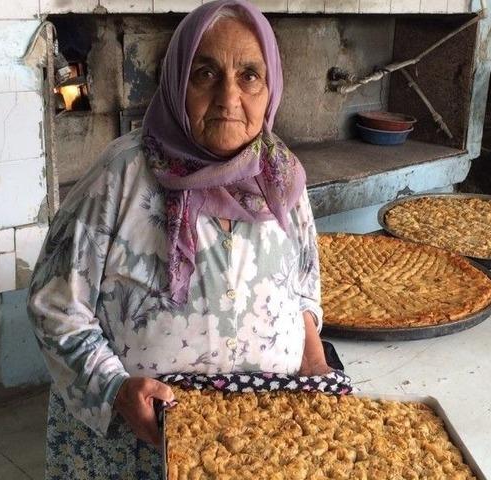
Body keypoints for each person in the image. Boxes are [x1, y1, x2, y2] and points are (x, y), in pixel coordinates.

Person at [27, 1, 333, 478]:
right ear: (174, 82)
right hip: (134, 449)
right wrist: (114, 389)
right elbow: (55, 304)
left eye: (249, 75)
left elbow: (303, 291)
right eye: (205, 73)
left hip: (260, 443)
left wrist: (314, 369)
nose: (229, 96)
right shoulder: (121, 175)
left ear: (271, 87)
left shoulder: (282, 177)